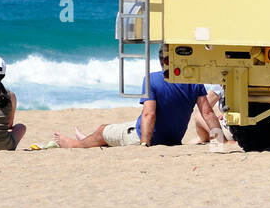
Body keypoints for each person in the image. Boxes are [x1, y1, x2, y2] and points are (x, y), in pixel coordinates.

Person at [54, 45, 224, 148]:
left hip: (147, 137)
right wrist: (220, 140)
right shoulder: (194, 81)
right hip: (173, 138)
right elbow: (208, 113)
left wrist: (144, 143)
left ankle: (75, 144)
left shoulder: (153, 79)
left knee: (102, 130)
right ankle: (87, 140)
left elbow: (149, 114)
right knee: (115, 129)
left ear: (163, 61)